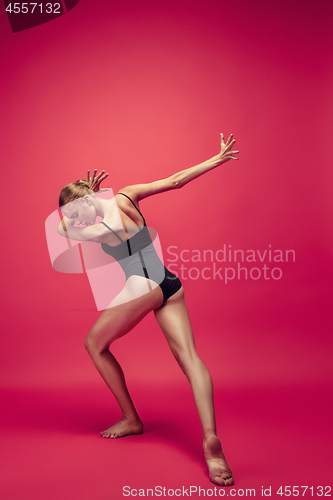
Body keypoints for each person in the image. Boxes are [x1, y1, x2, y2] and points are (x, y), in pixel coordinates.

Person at [57, 133, 239, 487]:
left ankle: (130, 418)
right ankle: (211, 441)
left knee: (94, 345)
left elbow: (64, 226)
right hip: (169, 283)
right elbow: (175, 181)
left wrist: (81, 207)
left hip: (143, 286)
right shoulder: (126, 195)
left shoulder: (94, 228)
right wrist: (216, 159)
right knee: (191, 359)